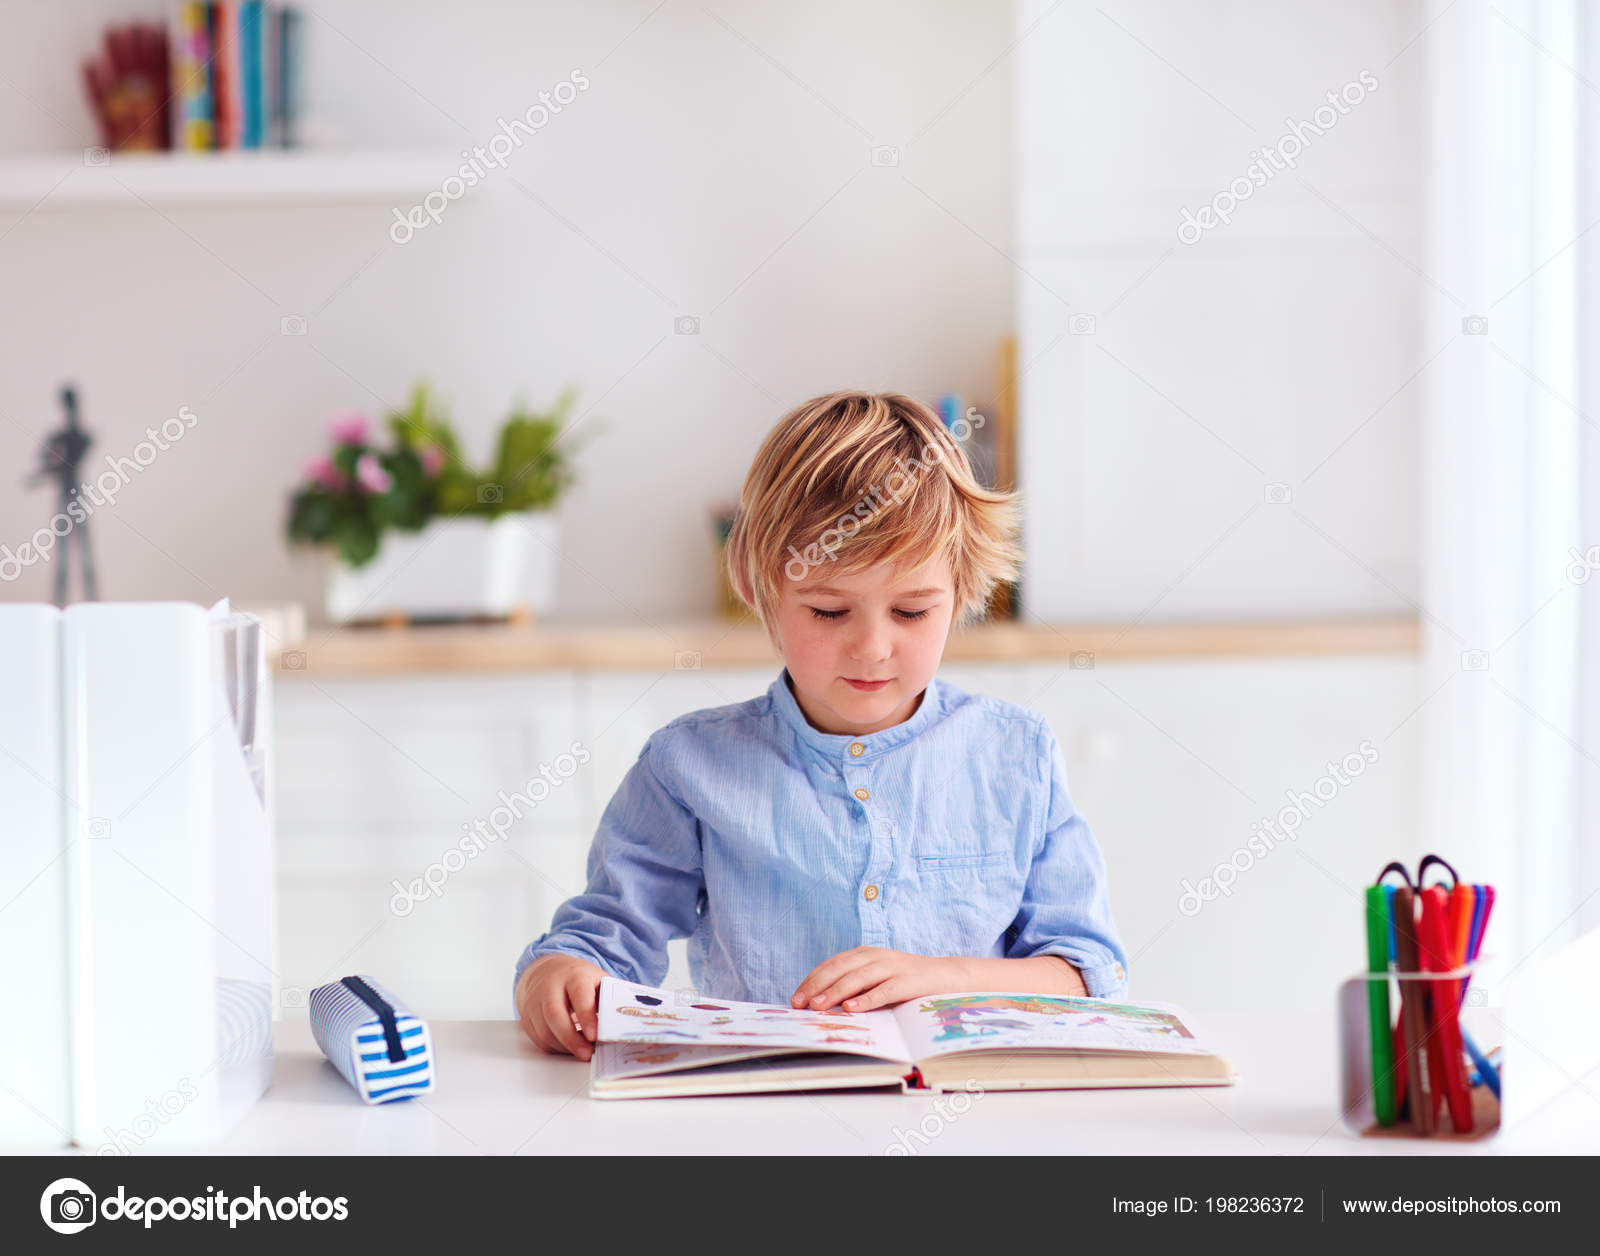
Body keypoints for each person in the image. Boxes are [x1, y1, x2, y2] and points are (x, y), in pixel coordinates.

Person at [514, 391, 1127, 1060]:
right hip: (764, 1109)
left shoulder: (1018, 754)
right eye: (830, 612)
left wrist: (944, 980)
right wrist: (559, 975)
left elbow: (1085, 972)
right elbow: (604, 938)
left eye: (913, 612)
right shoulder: (688, 764)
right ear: (758, 589)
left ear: (965, 591)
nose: (871, 648)